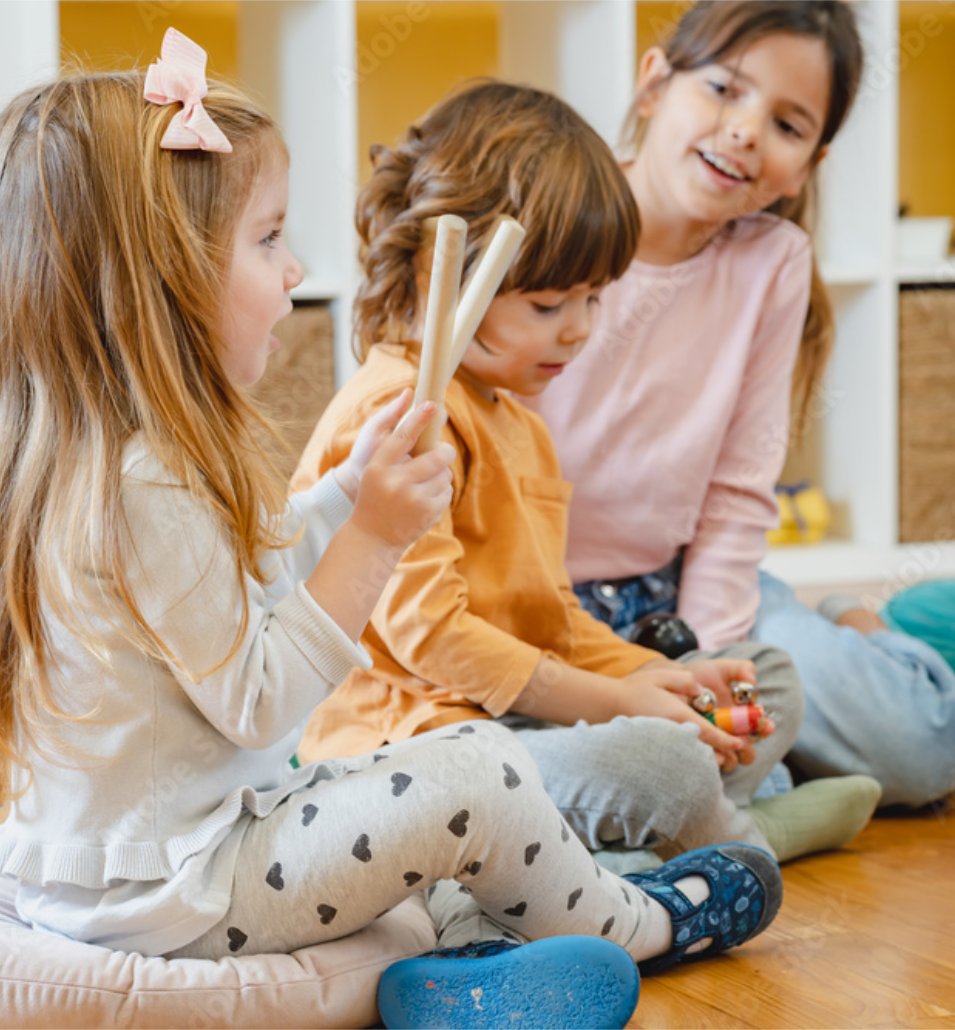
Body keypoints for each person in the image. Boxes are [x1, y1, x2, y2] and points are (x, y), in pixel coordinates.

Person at [0, 30, 783, 1030]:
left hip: (149, 868)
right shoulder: (144, 480)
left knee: (426, 812)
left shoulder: (95, 460)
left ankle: (474, 961)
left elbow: (243, 570)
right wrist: (373, 537)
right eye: (266, 239)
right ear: (162, 280)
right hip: (182, 891)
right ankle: (646, 921)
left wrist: (341, 493)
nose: (295, 269)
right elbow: (258, 705)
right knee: (481, 771)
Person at [292, 76, 856, 887]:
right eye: (552, 303)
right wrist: (619, 704)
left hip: (510, 714)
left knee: (764, 681)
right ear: (438, 275)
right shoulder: (399, 414)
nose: (582, 330)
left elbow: (550, 617)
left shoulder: (517, 417)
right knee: (658, 763)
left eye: (595, 298)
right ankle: (717, 837)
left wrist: (639, 673)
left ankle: (628, 844)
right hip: (412, 748)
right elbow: (434, 639)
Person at [525, 0, 924, 809]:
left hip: (688, 594)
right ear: (654, 86)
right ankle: (769, 781)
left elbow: (739, 496)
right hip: (535, 603)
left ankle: (875, 628)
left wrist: (700, 661)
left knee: (918, 745)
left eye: (786, 123)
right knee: (607, 773)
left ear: (808, 165)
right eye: (723, 89)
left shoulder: (773, 264)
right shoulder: (551, 218)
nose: (745, 130)